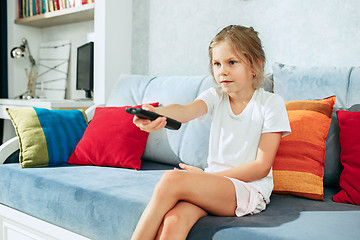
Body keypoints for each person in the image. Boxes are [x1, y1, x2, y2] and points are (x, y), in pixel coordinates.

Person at [131, 25, 291, 240]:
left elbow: (261, 168)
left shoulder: (271, 103)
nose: (222, 71)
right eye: (217, 64)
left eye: (231, 62)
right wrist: (155, 112)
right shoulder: (216, 96)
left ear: (255, 65)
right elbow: (185, 110)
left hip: (248, 190)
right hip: (213, 186)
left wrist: (209, 177)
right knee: (173, 222)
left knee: (172, 179)